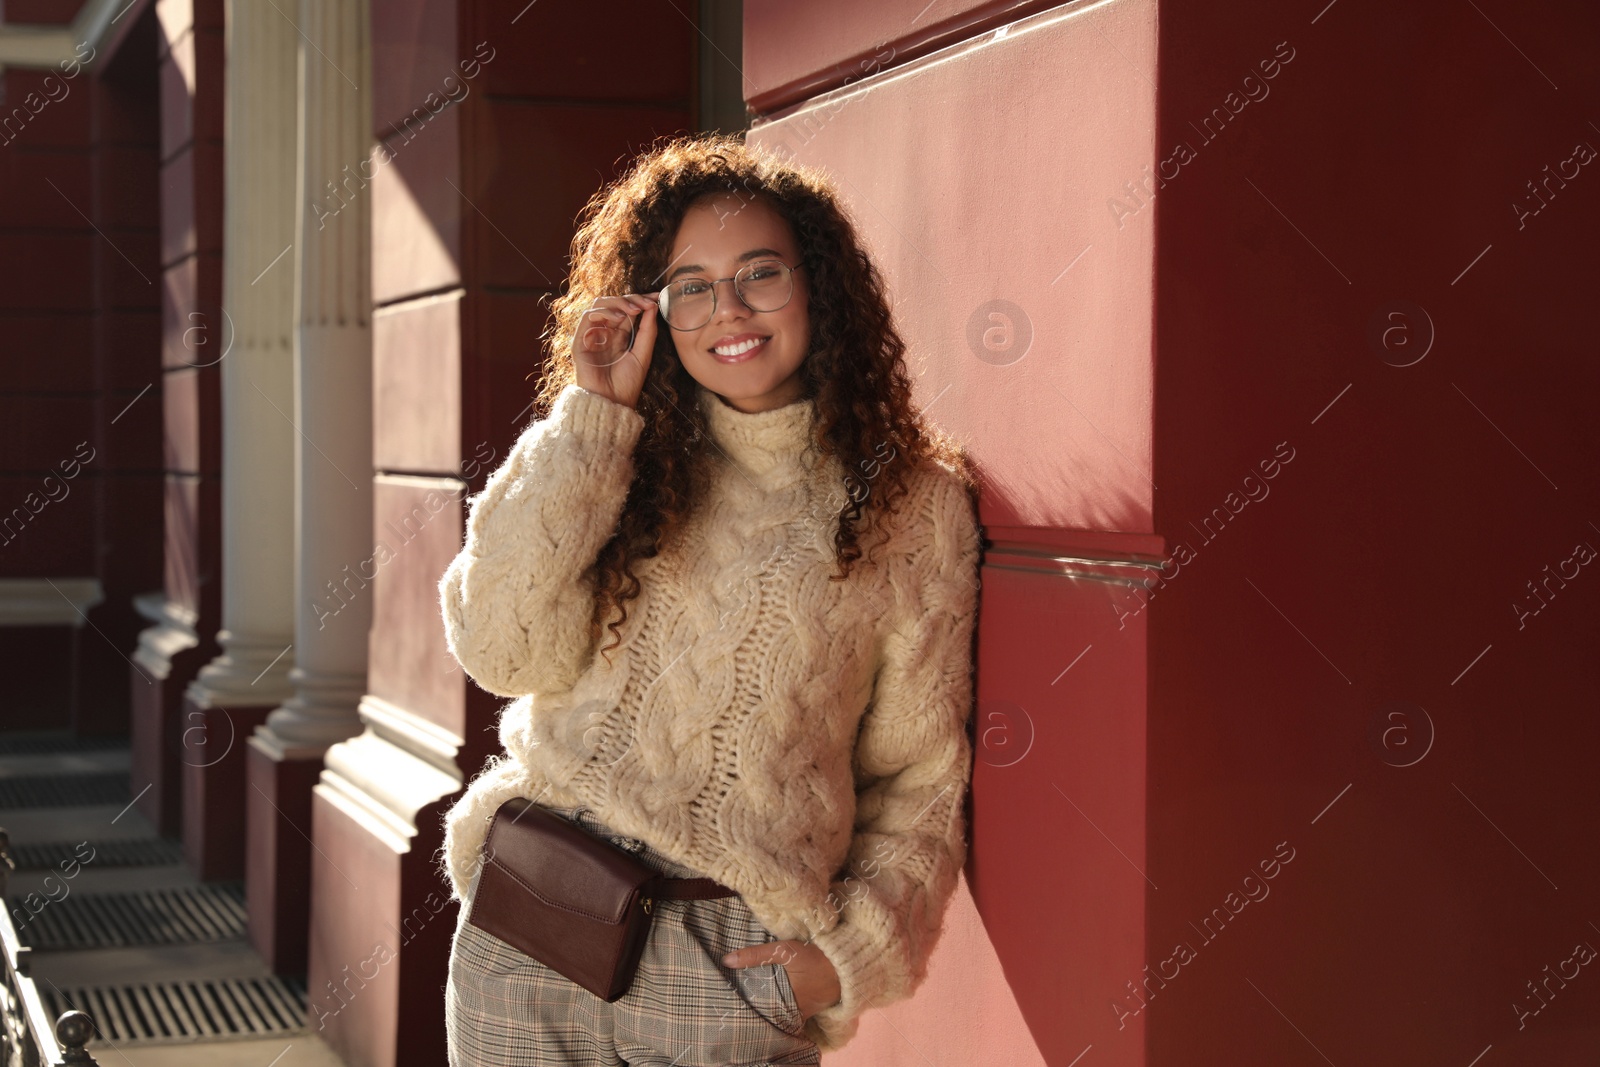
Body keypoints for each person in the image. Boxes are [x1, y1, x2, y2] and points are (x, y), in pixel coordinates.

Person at [437, 132, 982, 1067]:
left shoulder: (912, 506)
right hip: (532, 928)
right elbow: (499, 645)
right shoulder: (618, 452)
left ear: (818, 285)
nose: (727, 307)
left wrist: (837, 960)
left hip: (729, 969)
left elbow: (921, 782)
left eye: (759, 273)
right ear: (655, 307)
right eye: (691, 283)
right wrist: (592, 421)